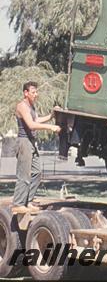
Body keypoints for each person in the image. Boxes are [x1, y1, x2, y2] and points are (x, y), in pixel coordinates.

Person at [12, 81, 61, 215]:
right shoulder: (22, 106)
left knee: (37, 172)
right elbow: (31, 125)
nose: (36, 94)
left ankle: (28, 201)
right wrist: (51, 127)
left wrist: (51, 116)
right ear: (25, 93)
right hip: (24, 142)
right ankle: (18, 204)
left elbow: (37, 120)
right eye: (33, 92)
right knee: (24, 174)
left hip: (31, 142)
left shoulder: (31, 106)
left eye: (36, 92)